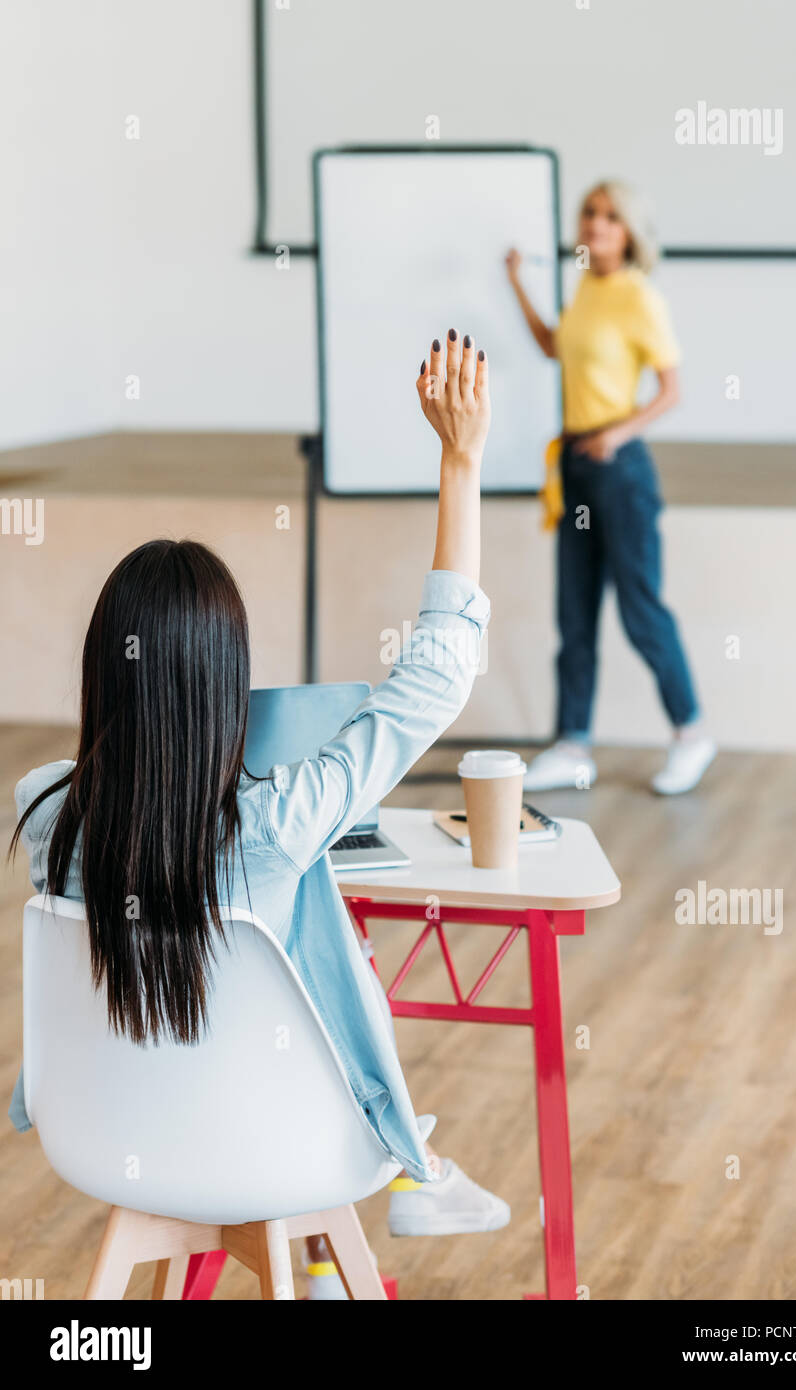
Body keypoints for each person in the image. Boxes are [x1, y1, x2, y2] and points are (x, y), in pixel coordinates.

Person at [9, 328, 509, 1301]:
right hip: (280, 1144)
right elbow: (436, 672)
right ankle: (405, 1175)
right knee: (312, 914)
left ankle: (329, 1256)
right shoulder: (279, 823)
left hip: (112, 1135)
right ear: (229, 688)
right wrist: (461, 461)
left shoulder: (40, 813)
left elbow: (126, 787)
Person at [506, 180, 716, 795]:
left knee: (640, 610)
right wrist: (517, 282)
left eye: (610, 217)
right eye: (589, 213)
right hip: (574, 467)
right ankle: (573, 745)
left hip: (619, 472)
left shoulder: (637, 297)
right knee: (574, 613)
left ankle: (691, 733)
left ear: (629, 232)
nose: (595, 225)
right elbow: (554, 346)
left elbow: (671, 390)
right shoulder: (586, 288)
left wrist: (618, 436)